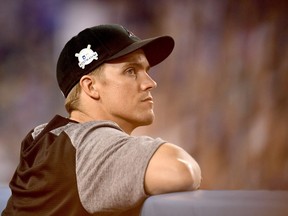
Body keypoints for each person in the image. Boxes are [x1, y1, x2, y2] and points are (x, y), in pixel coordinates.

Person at [2, 24, 201, 216]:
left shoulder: (48, 138)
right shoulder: (91, 145)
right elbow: (180, 170)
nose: (150, 83)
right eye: (131, 71)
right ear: (91, 87)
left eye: (146, 71)